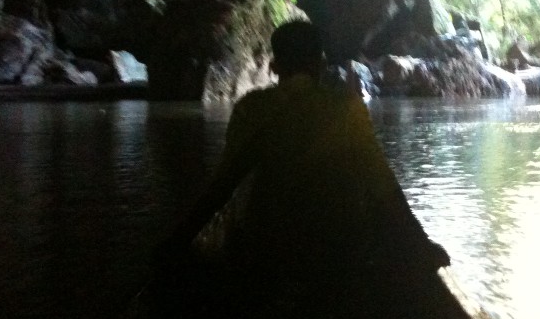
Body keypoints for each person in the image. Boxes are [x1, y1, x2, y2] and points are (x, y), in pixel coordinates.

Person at [161, 19, 449, 289]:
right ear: (320, 63)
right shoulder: (347, 108)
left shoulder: (252, 108)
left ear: (275, 65)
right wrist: (420, 243)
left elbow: (222, 187)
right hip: (337, 250)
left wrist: (177, 240)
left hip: (268, 251)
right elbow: (380, 180)